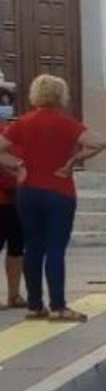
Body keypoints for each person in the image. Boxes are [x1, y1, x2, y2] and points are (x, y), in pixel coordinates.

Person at [0, 75, 104, 321]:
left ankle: (35, 305)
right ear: (62, 95)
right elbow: (99, 142)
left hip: (28, 191)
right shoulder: (67, 124)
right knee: (55, 248)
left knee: (32, 247)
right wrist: (73, 161)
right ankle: (58, 306)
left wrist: (18, 165)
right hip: (60, 191)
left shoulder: (23, 122)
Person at [0, 85, 21, 310]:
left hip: (15, 198)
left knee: (17, 247)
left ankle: (14, 294)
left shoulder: (12, 130)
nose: (5, 108)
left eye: (6, 103)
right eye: (1, 104)